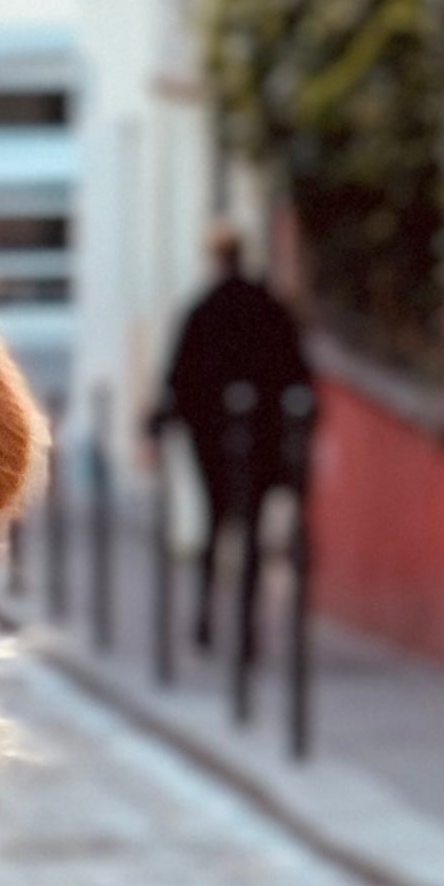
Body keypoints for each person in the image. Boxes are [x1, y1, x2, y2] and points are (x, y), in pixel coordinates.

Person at [143, 225, 311, 655]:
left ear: (215, 258)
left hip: (211, 438)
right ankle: (247, 630)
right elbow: (296, 372)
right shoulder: (269, 307)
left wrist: (160, 422)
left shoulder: (203, 309)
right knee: (253, 528)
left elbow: (178, 376)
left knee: (216, 523)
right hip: (263, 436)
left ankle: (205, 617)